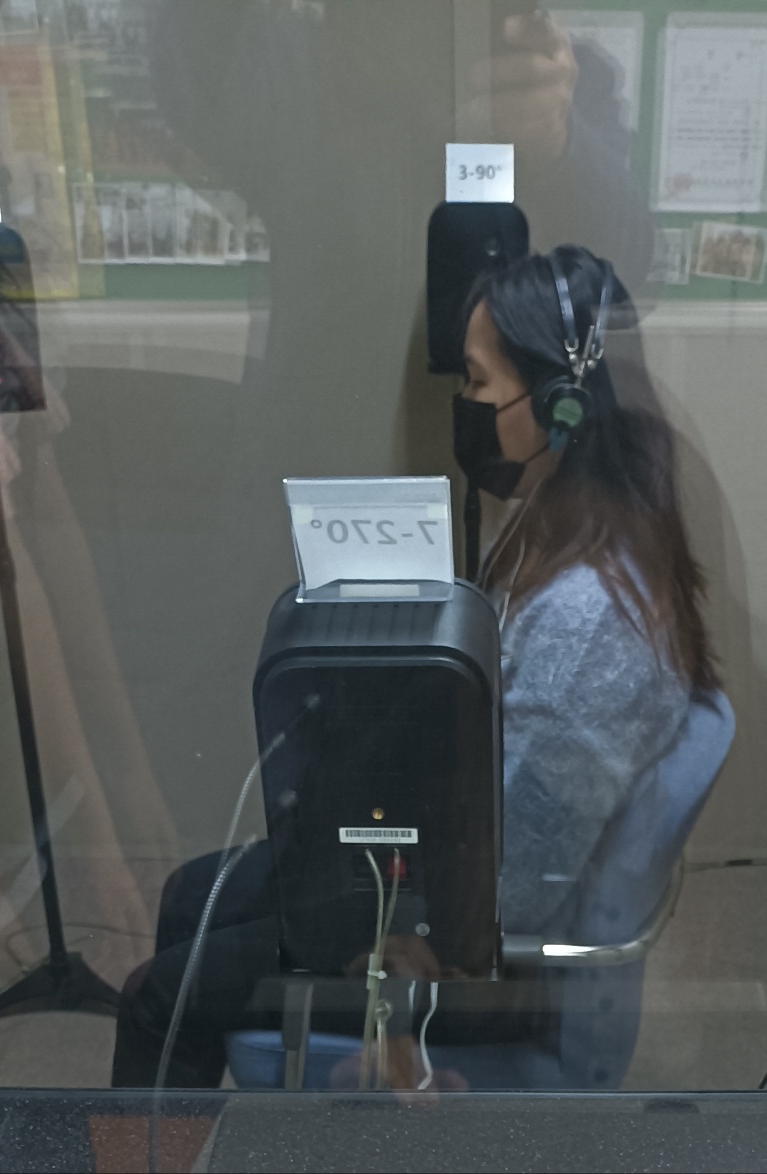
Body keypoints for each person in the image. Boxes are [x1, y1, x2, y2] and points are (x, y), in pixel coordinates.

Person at [112, 245, 720, 1089]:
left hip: (476, 958)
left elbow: (511, 890)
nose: (465, 401)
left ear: (561, 400)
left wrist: (376, 869)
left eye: (478, 380)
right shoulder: (583, 529)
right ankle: (233, 1139)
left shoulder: (587, 622)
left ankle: (175, 1131)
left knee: (157, 998)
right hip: (451, 871)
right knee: (189, 896)